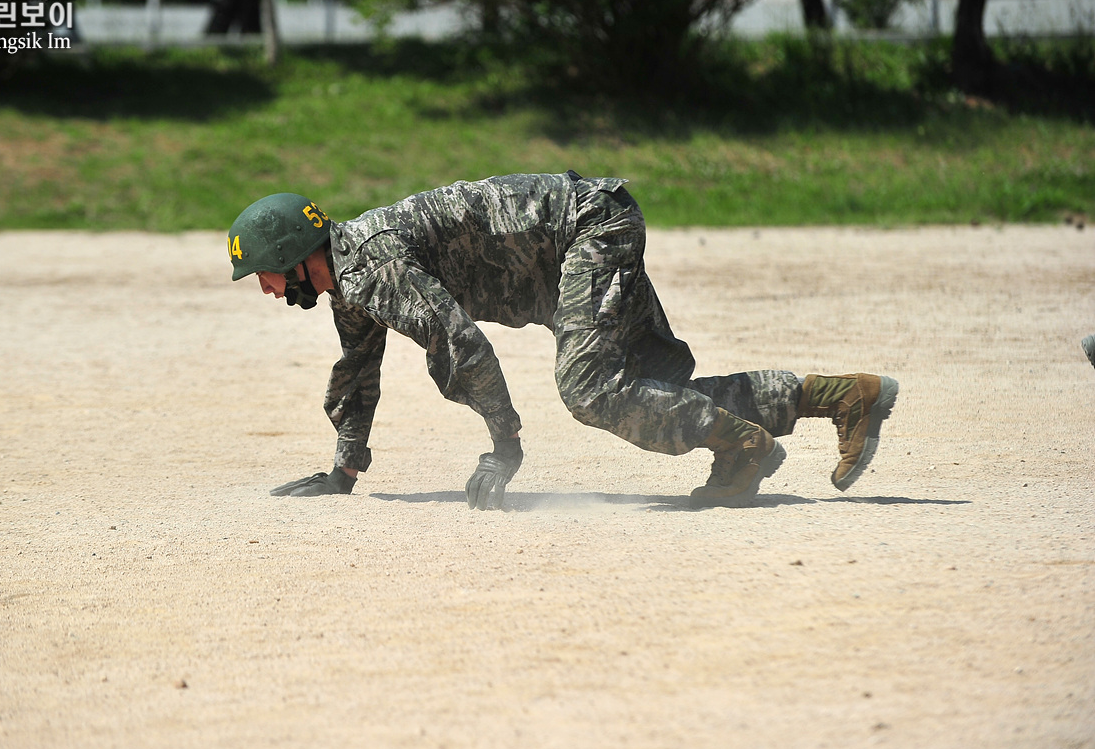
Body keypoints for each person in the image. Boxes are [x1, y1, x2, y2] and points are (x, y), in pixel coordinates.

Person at [227, 172, 898, 510]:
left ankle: (745, 445)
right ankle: (840, 398)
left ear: (291, 255)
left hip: (588, 232)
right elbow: (357, 370)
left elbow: (459, 347)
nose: (264, 289)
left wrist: (504, 446)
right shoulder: (352, 275)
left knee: (589, 390)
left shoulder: (371, 269)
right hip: (573, 250)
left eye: (262, 273)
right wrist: (342, 473)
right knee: (643, 393)